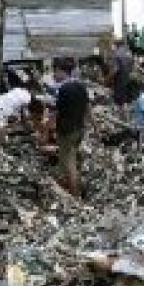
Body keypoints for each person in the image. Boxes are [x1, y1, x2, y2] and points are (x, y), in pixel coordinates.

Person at [52, 58, 90, 197]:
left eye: (55, 72)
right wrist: (94, 127)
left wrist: (46, 130)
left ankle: (75, 195)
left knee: (69, 164)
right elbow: (88, 108)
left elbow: (55, 112)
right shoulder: (81, 86)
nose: (54, 75)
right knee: (71, 159)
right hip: (79, 129)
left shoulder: (62, 89)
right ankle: (73, 187)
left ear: (62, 71)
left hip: (66, 131)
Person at [131, 80, 144, 145]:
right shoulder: (141, 97)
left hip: (141, 123)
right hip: (139, 121)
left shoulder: (142, 98)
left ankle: (139, 148)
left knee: (140, 136)